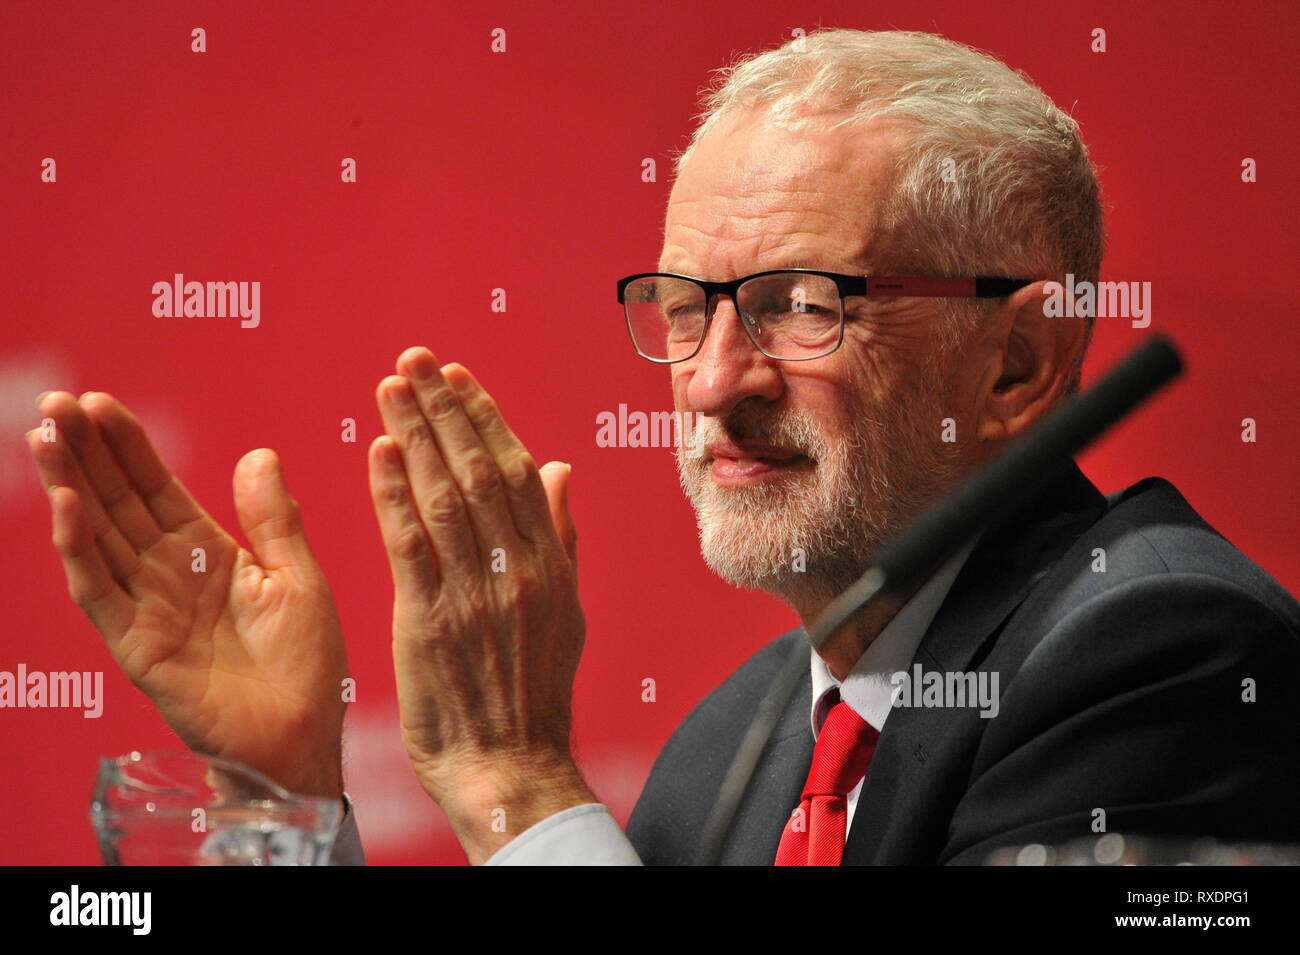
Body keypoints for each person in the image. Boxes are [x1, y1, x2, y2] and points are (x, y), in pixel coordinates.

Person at [27, 29, 1300, 866]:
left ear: (1017, 362)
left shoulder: (1161, 655)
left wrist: (512, 780)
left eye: (801, 305)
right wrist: (281, 798)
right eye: (687, 309)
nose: (711, 383)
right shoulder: (735, 744)